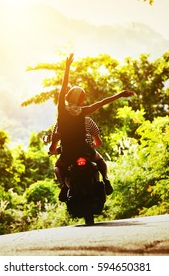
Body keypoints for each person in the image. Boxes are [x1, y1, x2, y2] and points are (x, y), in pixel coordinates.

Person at [48, 53, 135, 201]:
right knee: (100, 160)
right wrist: (121, 94)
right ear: (81, 100)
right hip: (85, 150)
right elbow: (103, 102)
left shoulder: (62, 110)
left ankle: (63, 187)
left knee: (57, 167)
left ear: (68, 97)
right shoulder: (83, 112)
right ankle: (106, 179)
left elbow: (63, 86)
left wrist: (67, 67)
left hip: (68, 153)